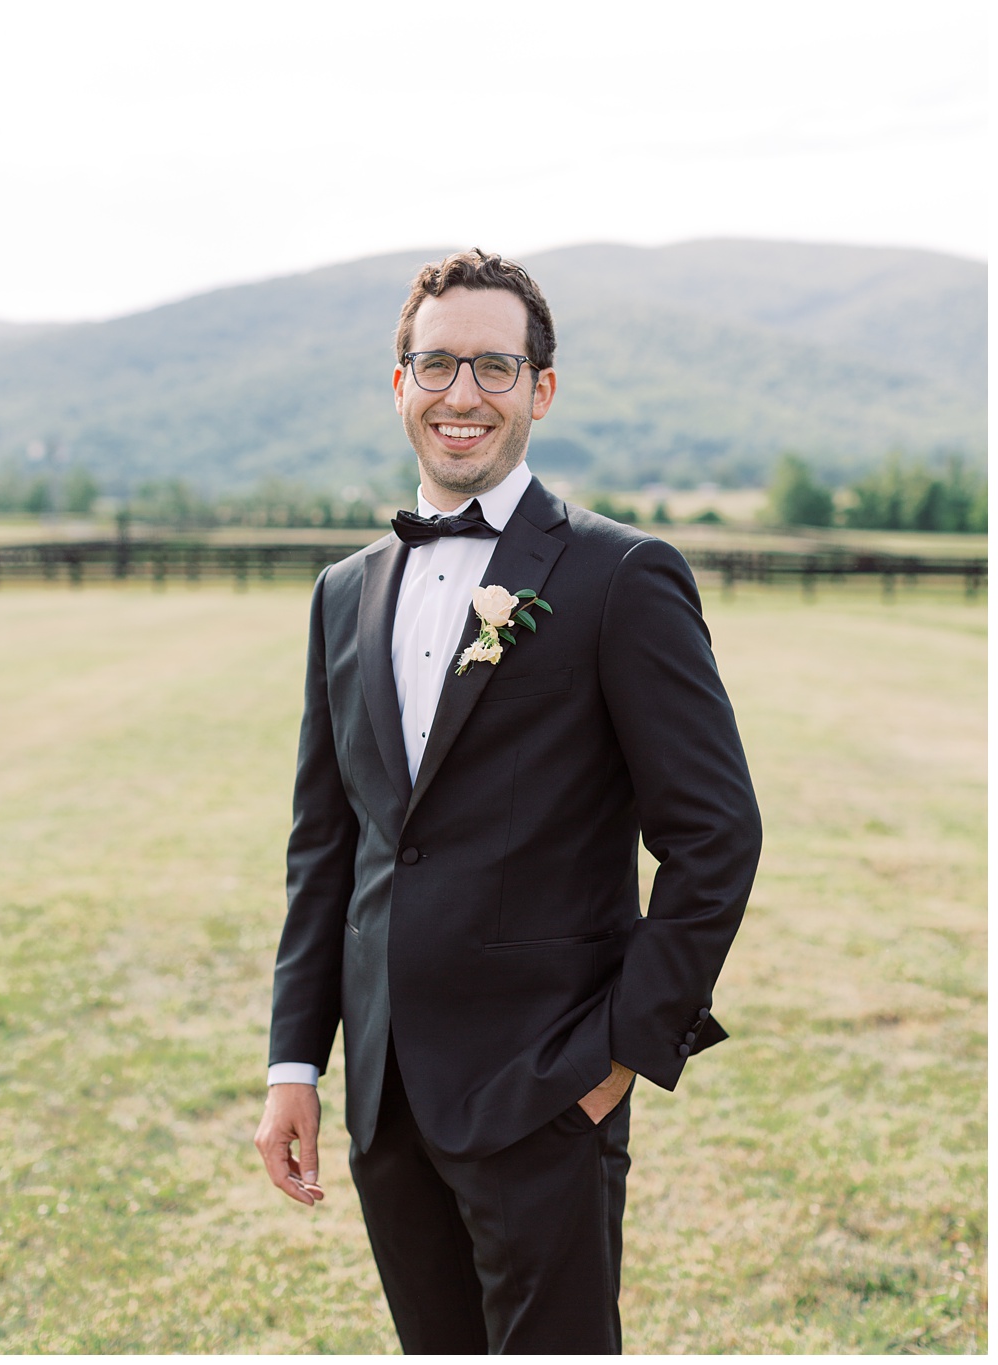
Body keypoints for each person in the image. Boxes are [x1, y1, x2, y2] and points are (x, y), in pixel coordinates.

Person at [254, 248, 761, 1353]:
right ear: (398, 385)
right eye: (435, 366)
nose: (460, 395)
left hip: (547, 1085)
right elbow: (325, 846)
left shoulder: (619, 576)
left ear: (539, 388)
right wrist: (296, 1061)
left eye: (493, 366)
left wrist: (616, 1059)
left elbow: (713, 836)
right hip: (384, 1098)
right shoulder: (341, 596)